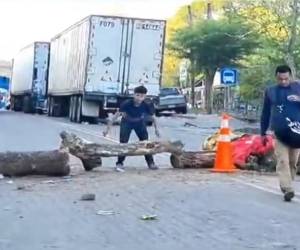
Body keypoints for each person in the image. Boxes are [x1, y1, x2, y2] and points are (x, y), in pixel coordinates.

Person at [261, 65, 300, 202]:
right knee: (283, 161)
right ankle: (287, 188)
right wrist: (263, 132)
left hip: (296, 133)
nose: (283, 81)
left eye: (286, 79)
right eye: (280, 79)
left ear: (290, 76)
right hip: (279, 132)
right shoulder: (271, 91)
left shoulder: (298, 88)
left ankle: (287, 183)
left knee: (293, 162)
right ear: (276, 77)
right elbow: (265, 113)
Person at [103, 85, 160, 172]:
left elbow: (153, 117)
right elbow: (115, 117)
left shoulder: (147, 105)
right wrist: (107, 130)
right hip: (127, 122)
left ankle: (151, 163)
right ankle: (119, 163)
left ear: (144, 97)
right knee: (123, 143)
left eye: (141, 96)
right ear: (134, 95)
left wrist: (156, 130)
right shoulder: (126, 104)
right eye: (137, 95)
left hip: (139, 123)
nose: (139, 98)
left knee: (146, 143)